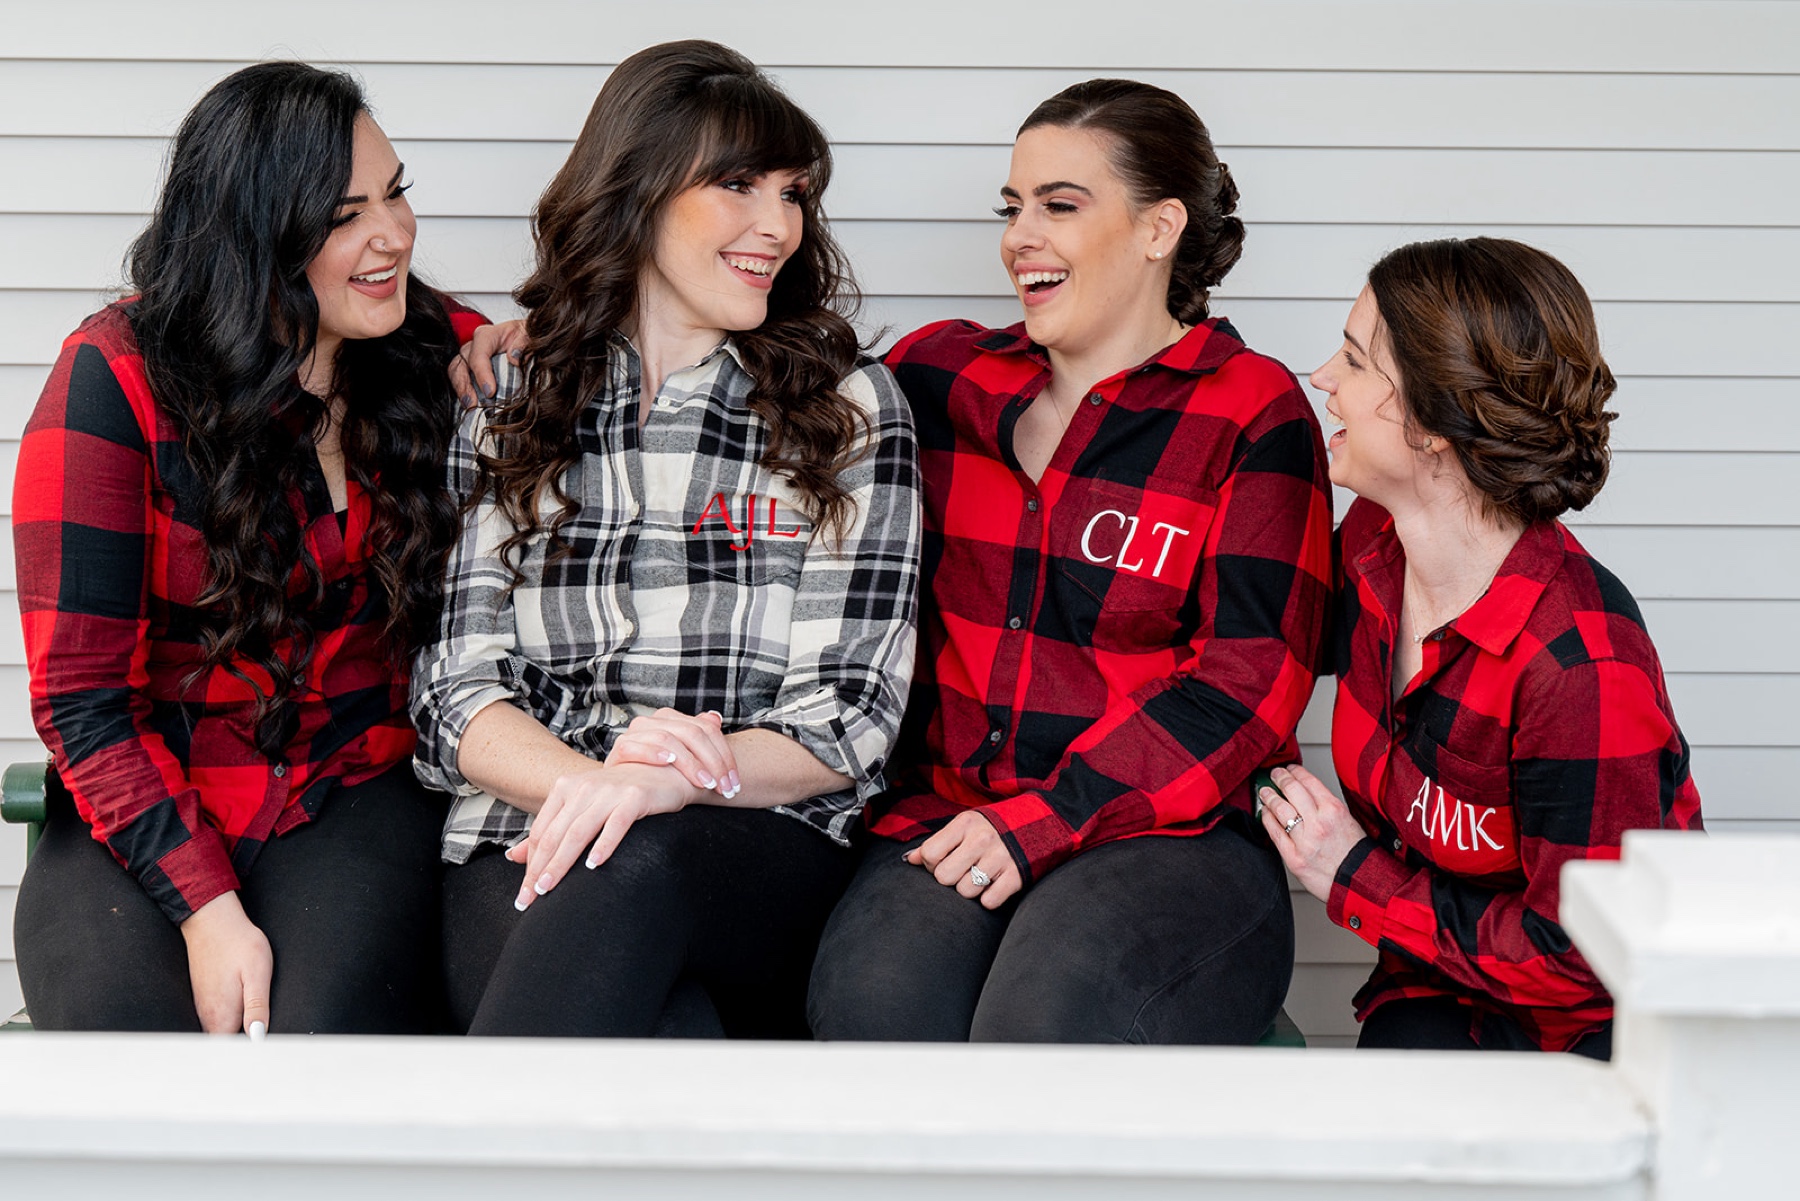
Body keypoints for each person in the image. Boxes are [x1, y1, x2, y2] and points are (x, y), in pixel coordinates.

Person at [804, 80, 1333, 1043]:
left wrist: (1044, 820)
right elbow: (748, 364)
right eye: (1012, 208)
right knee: (875, 1009)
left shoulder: (1251, 411)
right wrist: (524, 336)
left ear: (1159, 226)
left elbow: (1247, 689)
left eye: (1060, 204)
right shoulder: (940, 377)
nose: (1019, 238)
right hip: (953, 812)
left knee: (1048, 1020)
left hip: (1173, 835)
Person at [414, 40, 919, 1038]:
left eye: (794, 192)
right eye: (737, 184)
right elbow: (455, 690)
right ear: (639, 189)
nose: (777, 225)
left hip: (750, 851)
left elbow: (853, 714)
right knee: (670, 1032)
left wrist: (669, 781)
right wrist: (603, 785)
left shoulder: (845, 409)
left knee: (636, 860)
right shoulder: (514, 397)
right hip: (527, 836)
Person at [12, 62, 485, 1034]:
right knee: (122, 1040)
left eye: (395, 193)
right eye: (345, 214)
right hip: (151, 785)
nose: (391, 234)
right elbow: (84, 701)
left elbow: (599, 365)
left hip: (354, 786)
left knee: (313, 1046)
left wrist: (520, 351)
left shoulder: (431, 349)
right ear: (256, 235)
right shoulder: (117, 378)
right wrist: (205, 907)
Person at [1258, 237, 1703, 1057]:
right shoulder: (1371, 545)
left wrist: (1352, 874)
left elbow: (1582, 956)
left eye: (1355, 359)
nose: (1322, 377)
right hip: (1438, 984)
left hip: (1591, 1032)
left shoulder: (1580, 666)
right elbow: (1255, 635)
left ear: (1430, 422)